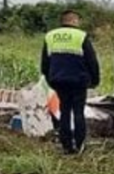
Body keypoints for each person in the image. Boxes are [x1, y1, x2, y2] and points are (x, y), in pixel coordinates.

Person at [41, 9, 100, 154]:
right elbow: (92, 61)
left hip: (59, 81)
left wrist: (49, 79)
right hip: (78, 81)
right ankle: (79, 144)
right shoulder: (81, 36)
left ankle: (66, 145)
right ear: (74, 21)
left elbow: (44, 63)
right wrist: (95, 80)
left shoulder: (50, 36)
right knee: (78, 111)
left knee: (65, 111)